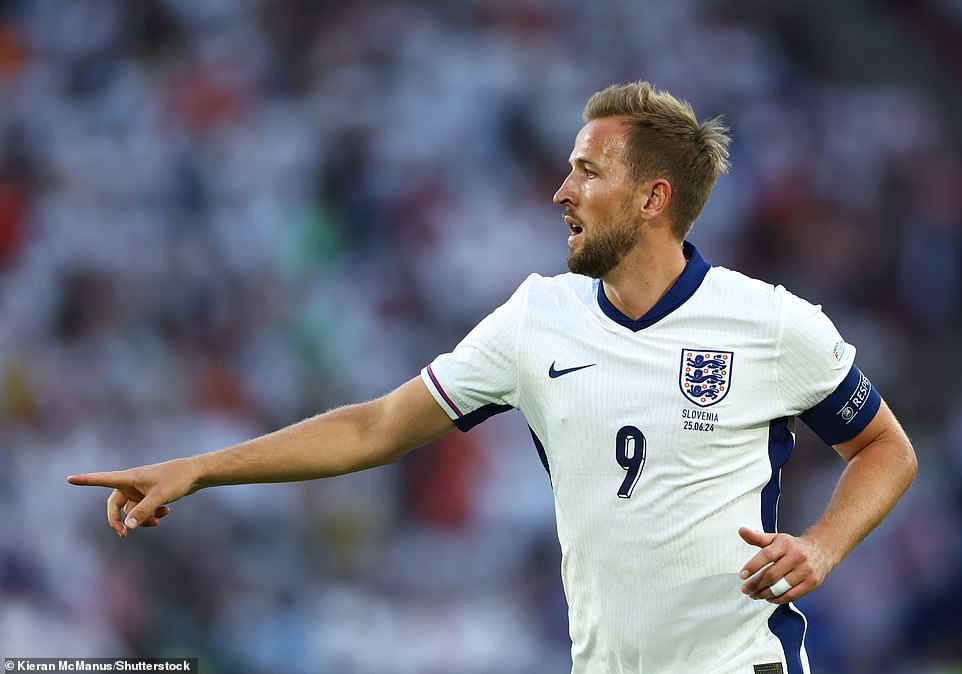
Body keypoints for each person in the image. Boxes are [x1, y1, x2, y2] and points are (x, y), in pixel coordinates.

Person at [68, 81, 917, 674]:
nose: (561, 190)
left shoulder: (768, 322)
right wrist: (203, 467)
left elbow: (883, 447)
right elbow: (375, 428)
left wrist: (821, 545)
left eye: (588, 171)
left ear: (653, 199)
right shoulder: (536, 318)